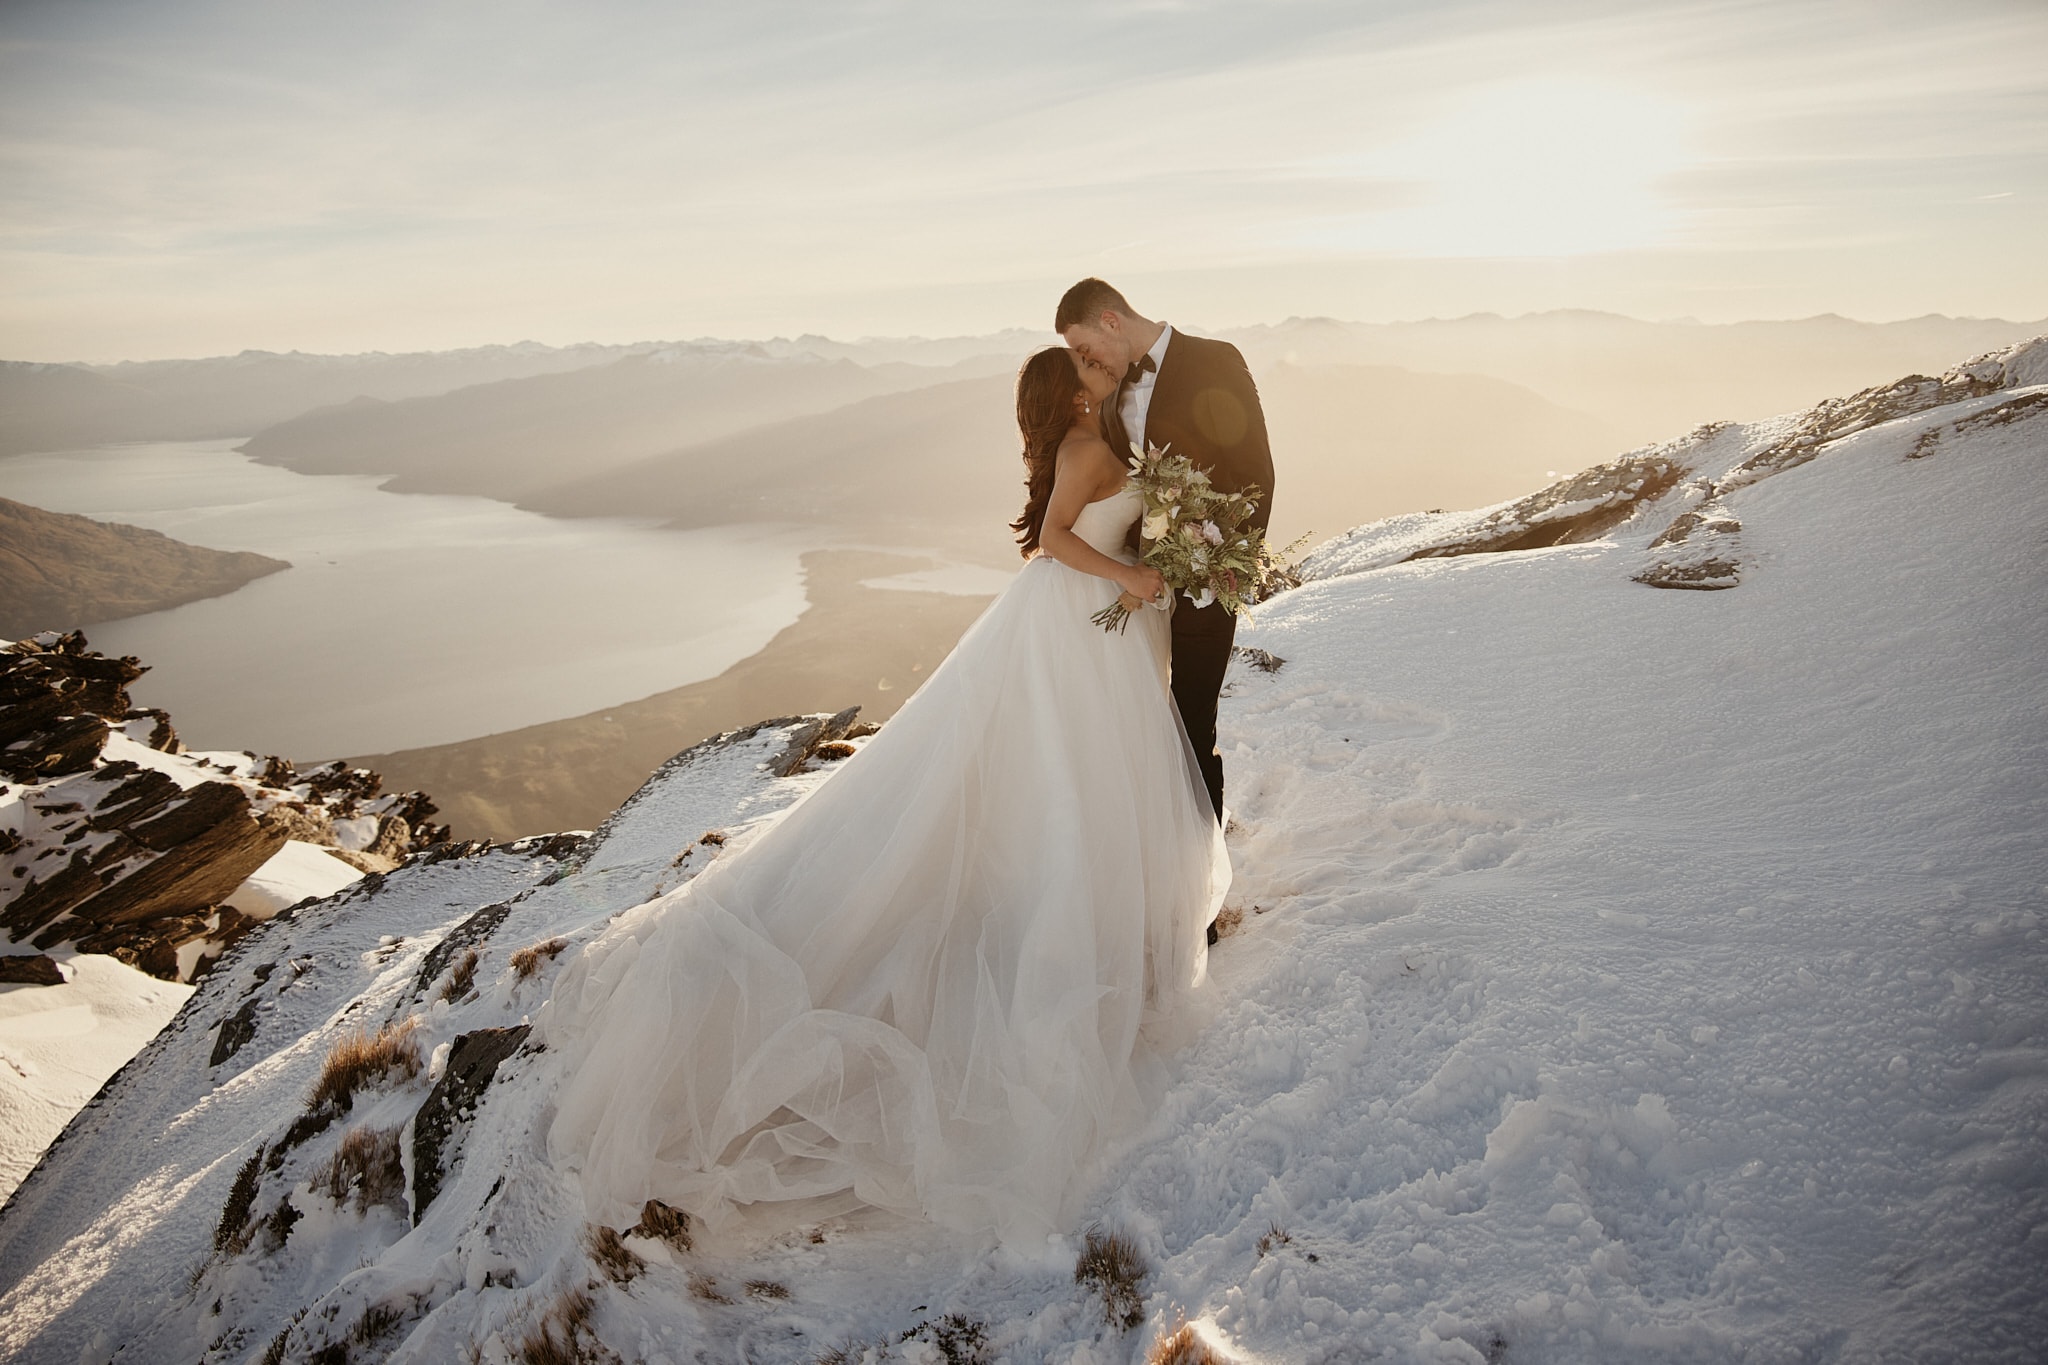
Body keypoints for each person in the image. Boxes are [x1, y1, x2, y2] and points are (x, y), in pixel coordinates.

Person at [540, 347, 1229, 1248]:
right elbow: (1059, 539)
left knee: (1069, 780)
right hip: (1077, 627)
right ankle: (1069, 923)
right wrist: (1134, 576)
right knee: (1064, 780)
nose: (1099, 374)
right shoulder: (1085, 448)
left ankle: (1088, 912)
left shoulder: (1099, 439)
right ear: (1069, 397)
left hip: (1092, 629)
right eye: (1084, 371)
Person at [1056, 279, 1275, 835]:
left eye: (1086, 348)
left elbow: (1255, 472)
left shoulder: (1215, 360)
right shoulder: (1106, 391)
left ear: (1111, 321)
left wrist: (1226, 565)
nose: (1086, 363)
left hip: (1206, 582)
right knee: (1137, 724)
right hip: (1131, 587)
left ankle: (1202, 868)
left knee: (1192, 723)